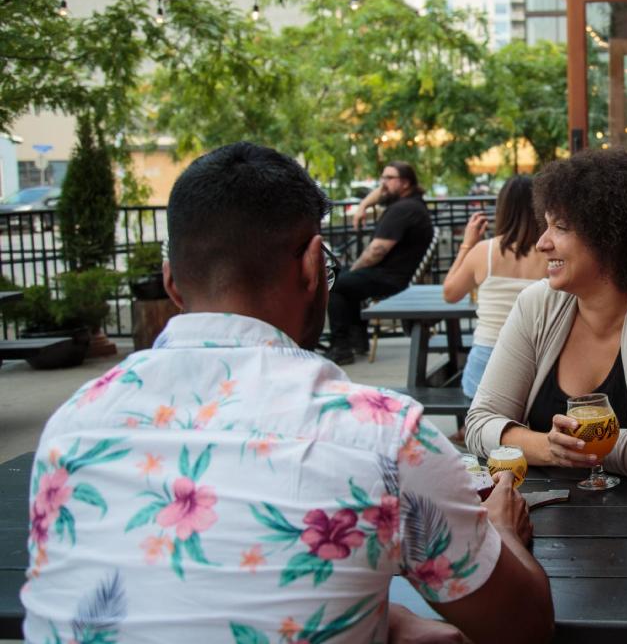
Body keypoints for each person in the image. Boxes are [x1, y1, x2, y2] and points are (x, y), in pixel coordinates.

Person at [21, 142, 553, 644]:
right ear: (311, 266)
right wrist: (501, 532)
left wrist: (381, 619)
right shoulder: (384, 438)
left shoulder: (74, 424)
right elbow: (523, 627)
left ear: (172, 283)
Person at [465, 148, 627, 481]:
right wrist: (547, 447)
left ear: (611, 236)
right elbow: (479, 423)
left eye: (561, 227)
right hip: (552, 520)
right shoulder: (537, 304)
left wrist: (530, 443)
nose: (541, 243)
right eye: (546, 225)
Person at [442, 175, 545, 399]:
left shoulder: (483, 252)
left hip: (486, 361)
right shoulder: (551, 253)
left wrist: (467, 244)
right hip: (537, 361)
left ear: (502, 209)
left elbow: (450, 293)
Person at [328, 161, 434, 365]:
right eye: (382, 178)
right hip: (395, 275)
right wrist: (363, 206)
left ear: (405, 183)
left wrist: (354, 269)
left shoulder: (402, 209)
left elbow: (375, 252)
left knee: (335, 284)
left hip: (392, 279)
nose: (382, 184)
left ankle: (341, 347)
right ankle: (358, 342)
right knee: (346, 282)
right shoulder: (411, 204)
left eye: (388, 178)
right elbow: (382, 192)